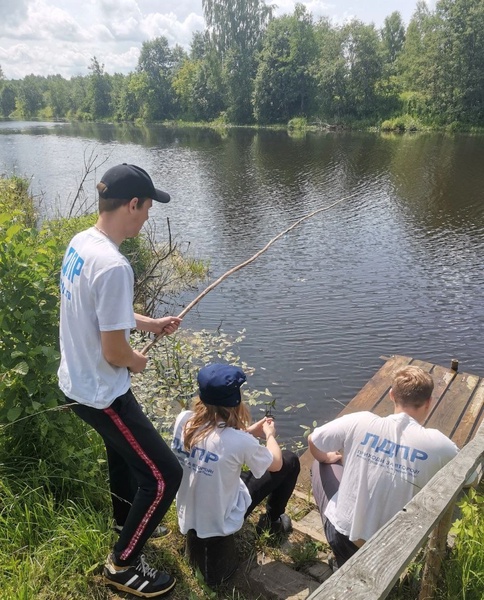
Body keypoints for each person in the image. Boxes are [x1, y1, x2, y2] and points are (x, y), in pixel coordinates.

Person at [58, 163, 183, 598]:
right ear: (131, 204)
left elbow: (102, 314)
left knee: (126, 460)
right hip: (102, 392)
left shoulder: (82, 243)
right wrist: (136, 362)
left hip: (76, 383)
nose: (148, 216)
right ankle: (123, 564)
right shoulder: (114, 265)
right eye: (147, 208)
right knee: (165, 476)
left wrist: (148, 324)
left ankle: (128, 526)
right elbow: (115, 352)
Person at [309, 365, 459, 569]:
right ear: (429, 402)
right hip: (393, 552)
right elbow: (469, 478)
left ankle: (342, 562)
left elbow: (314, 440)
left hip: (343, 538)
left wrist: (326, 457)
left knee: (320, 464)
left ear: (391, 395)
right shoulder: (441, 446)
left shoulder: (360, 420)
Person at [172, 363, 300, 585]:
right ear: (236, 401)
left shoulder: (183, 420)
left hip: (188, 509)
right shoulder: (239, 442)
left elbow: (216, 443)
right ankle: (272, 520)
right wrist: (269, 435)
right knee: (290, 460)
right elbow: (276, 464)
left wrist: (249, 433)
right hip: (220, 517)